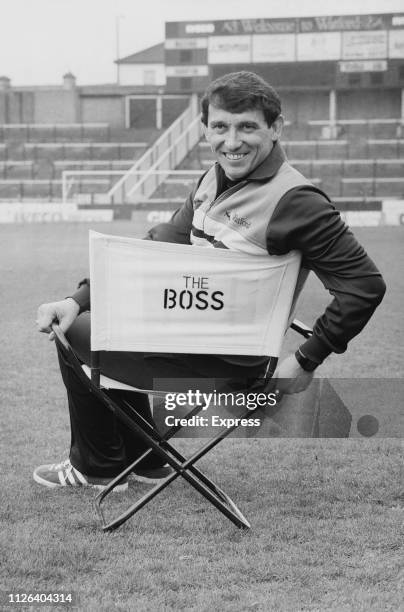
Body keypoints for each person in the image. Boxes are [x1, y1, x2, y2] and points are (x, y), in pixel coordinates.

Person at [34, 71, 386, 491]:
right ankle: (148, 461)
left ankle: (97, 467)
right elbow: (156, 247)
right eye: (220, 127)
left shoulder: (298, 202)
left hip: (230, 367)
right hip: (187, 336)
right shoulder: (210, 179)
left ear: (276, 128)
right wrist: (78, 298)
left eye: (247, 127)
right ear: (205, 129)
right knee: (86, 321)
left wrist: (305, 360)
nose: (232, 141)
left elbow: (364, 284)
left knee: (74, 333)